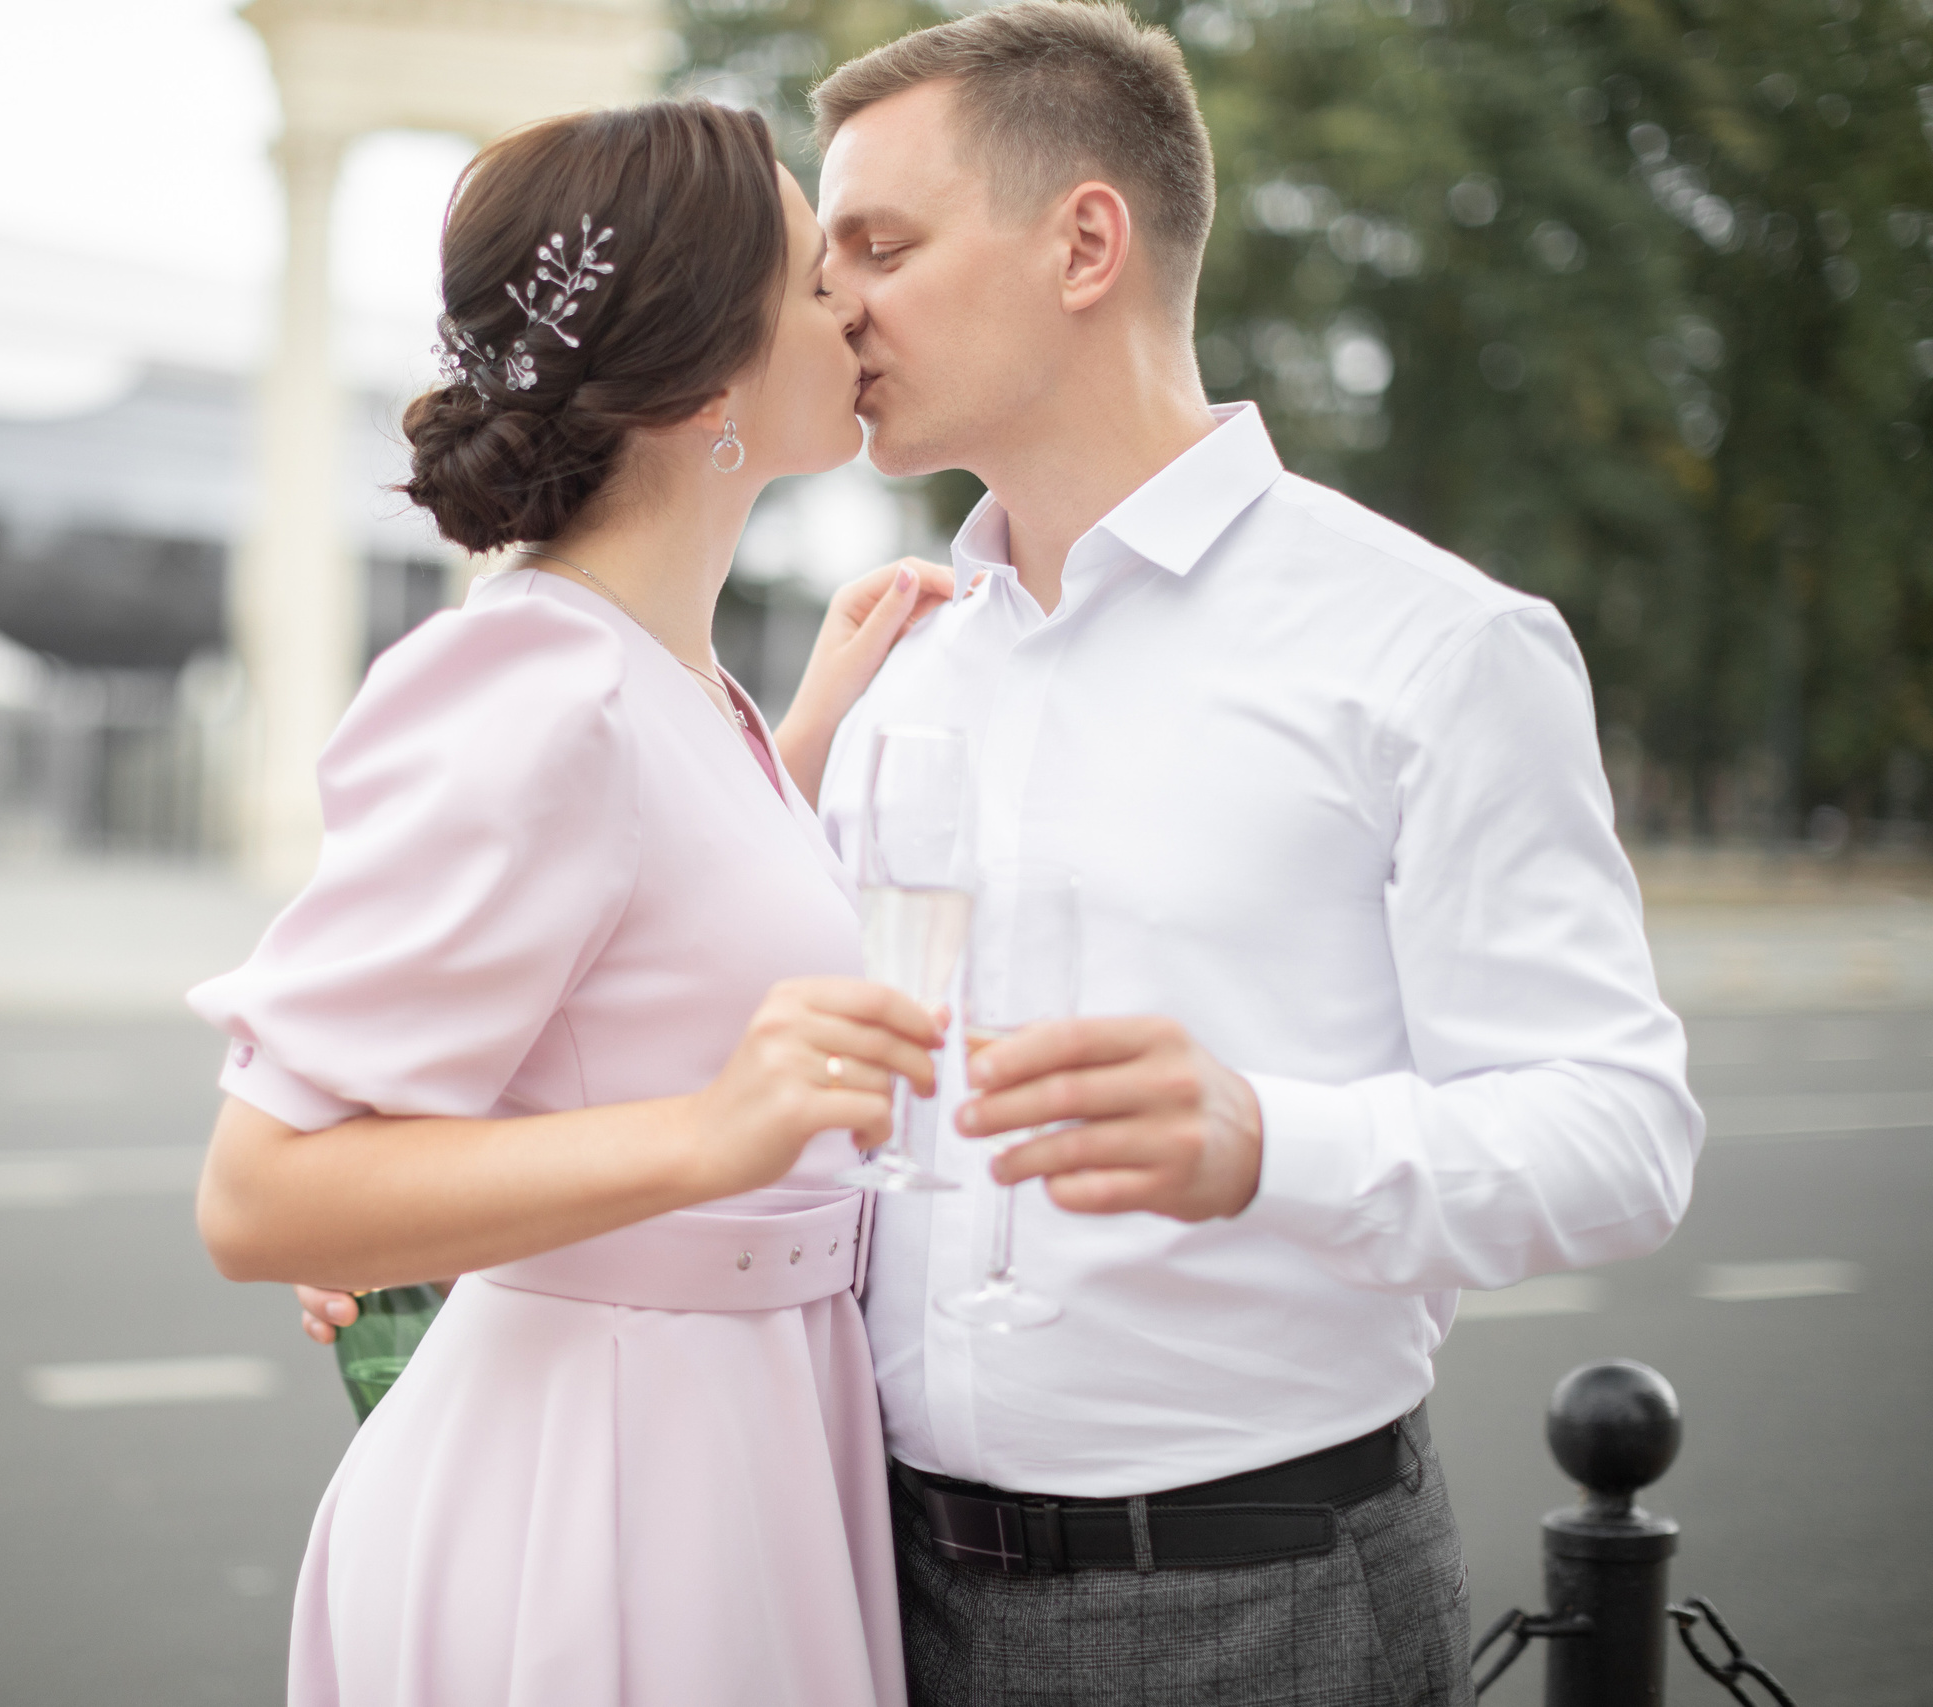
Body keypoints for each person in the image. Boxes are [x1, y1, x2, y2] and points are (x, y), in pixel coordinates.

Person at [791, 4, 1703, 1703]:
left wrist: (1269, 1140)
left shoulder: (1435, 645)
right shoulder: (901, 661)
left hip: (1253, 1605)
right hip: (870, 1583)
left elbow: (1624, 1136)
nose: (833, 298)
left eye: (881, 244)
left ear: (1084, 242)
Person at [189, 100, 949, 1707]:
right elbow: (263, 1197)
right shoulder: (535, 678)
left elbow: (638, 943)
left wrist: (795, 745)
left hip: (723, 1437)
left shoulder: (668, 678)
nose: (860, 309)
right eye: (822, 277)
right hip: (601, 1498)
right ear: (704, 381)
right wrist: (708, 1139)